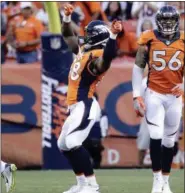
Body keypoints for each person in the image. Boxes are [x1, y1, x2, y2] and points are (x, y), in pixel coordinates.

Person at [57, 4, 122, 193]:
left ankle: (92, 186)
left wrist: (113, 36)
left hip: (85, 104)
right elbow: (68, 35)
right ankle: (81, 185)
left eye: (90, 33)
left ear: (98, 36)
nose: (86, 36)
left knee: (72, 143)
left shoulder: (98, 56)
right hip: (75, 106)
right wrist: (67, 18)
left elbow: (107, 59)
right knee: (64, 144)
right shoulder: (85, 49)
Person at [132, 5, 184, 193]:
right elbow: (138, 67)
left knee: (169, 141)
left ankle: (166, 182)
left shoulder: (184, 39)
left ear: (177, 22)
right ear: (158, 22)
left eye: (171, 21)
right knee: (155, 135)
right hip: (154, 93)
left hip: (175, 97)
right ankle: (156, 181)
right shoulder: (149, 37)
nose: (168, 25)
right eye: (165, 21)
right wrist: (136, 94)